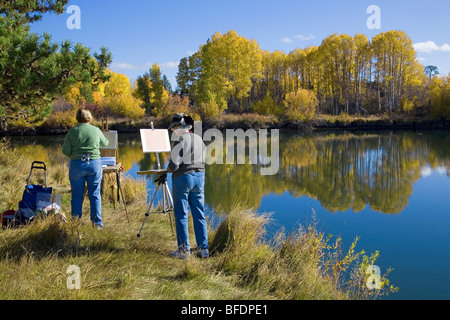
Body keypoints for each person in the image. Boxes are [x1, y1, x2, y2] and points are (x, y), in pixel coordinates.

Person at [167, 113, 208, 259]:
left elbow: (174, 165)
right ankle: (204, 249)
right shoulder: (199, 139)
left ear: (178, 127)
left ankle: (184, 251)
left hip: (183, 178)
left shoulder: (179, 140)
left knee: (181, 213)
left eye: (173, 129)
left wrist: (169, 164)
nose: (173, 131)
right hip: (200, 177)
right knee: (199, 213)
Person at [62, 109, 109, 229]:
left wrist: (76, 155)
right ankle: (97, 224)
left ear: (77, 118)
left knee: (77, 195)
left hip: (77, 165)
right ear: (90, 118)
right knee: (95, 194)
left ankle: (76, 223)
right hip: (94, 164)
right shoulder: (96, 130)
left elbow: (65, 151)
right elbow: (105, 143)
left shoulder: (72, 132)